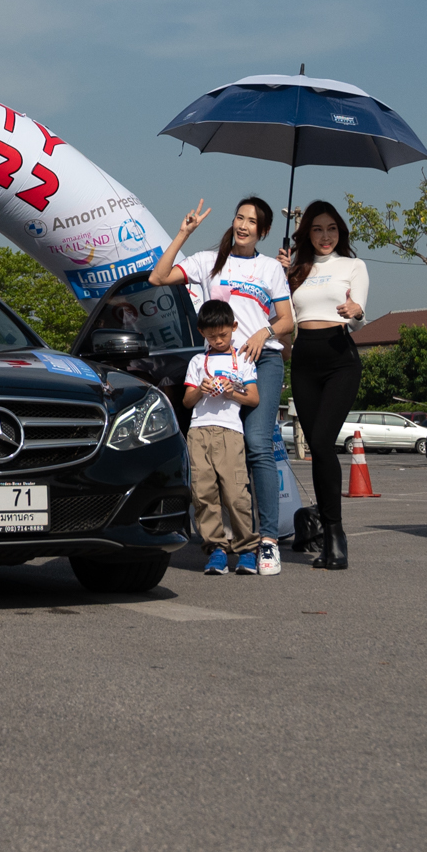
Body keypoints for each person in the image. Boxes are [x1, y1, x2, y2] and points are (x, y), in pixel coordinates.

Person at [152, 196, 295, 575]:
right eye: (239, 218)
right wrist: (183, 233)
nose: (243, 225)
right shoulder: (207, 261)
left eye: (252, 221)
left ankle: (267, 541)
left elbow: (287, 320)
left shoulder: (269, 268)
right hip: (216, 367)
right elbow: (158, 277)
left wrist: (263, 333)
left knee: (257, 445)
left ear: (263, 230)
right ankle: (221, 542)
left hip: (261, 362)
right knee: (216, 462)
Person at [283, 199, 369, 571]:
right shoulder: (295, 269)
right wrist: (281, 275)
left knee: (320, 442)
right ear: (307, 234)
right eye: (317, 229)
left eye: (331, 228)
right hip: (304, 360)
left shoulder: (353, 265)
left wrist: (356, 311)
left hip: (339, 358)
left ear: (340, 231)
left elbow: (359, 315)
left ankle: (335, 533)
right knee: (319, 452)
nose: (325, 236)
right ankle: (326, 530)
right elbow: (284, 317)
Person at [183, 300, 259, 575]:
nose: (217, 340)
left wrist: (231, 392)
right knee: (203, 493)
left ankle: (247, 550)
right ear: (201, 332)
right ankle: (216, 549)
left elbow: (253, 398)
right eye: (211, 335)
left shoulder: (244, 360)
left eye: (223, 334)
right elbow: (187, 401)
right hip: (199, 431)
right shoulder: (197, 361)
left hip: (230, 432)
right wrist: (201, 389)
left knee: (236, 493)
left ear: (233, 327)